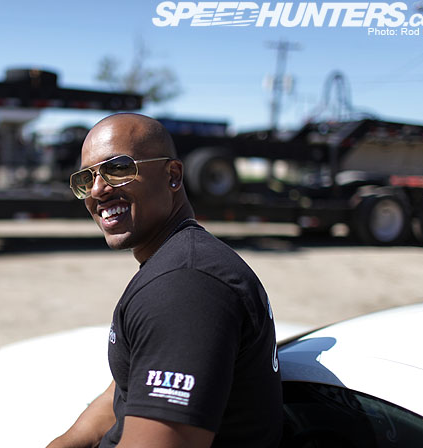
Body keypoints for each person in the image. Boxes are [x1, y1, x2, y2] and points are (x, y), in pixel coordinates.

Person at [48, 113, 282, 448]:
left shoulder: (187, 286)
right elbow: (126, 390)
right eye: (85, 179)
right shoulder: (176, 263)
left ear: (172, 176)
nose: (97, 190)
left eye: (118, 169)